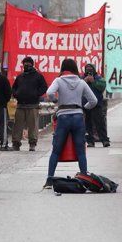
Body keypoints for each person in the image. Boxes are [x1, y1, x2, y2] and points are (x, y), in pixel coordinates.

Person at [44, 59, 98, 189]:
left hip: (63, 117)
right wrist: (83, 108)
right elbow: (94, 101)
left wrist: (56, 101)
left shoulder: (58, 81)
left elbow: (49, 93)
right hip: (78, 117)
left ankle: (50, 180)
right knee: (81, 151)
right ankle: (84, 178)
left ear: (63, 68)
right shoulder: (81, 82)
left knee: (56, 150)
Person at [11, 57, 48, 151]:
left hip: (33, 105)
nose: (26, 65)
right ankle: (16, 143)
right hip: (20, 105)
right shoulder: (20, 76)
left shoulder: (38, 76)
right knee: (17, 126)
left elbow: (44, 87)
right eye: (24, 63)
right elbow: (14, 88)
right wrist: (16, 94)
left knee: (33, 126)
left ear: (32, 64)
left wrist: (36, 94)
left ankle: (32, 144)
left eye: (28, 63)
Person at [83, 63, 110, 148]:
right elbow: (77, 87)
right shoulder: (82, 79)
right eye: (87, 69)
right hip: (86, 105)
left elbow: (102, 87)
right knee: (88, 124)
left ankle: (104, 140)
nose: (89, 70)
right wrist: (84, 82)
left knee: (100, 123)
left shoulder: (99, 78)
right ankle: (90, 141)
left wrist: (93, 81)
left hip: (96, 105)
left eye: (90, 69)